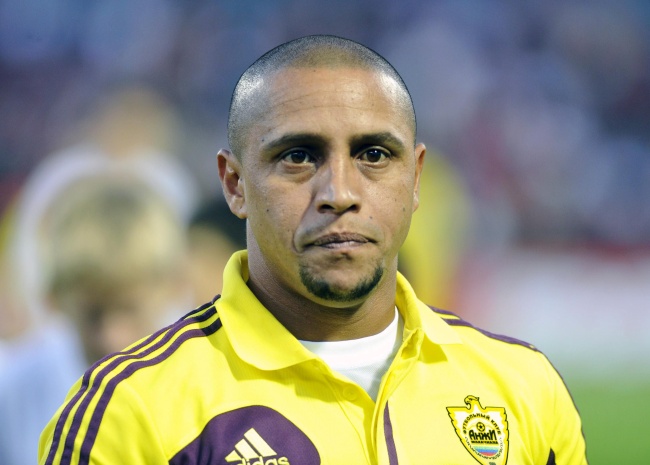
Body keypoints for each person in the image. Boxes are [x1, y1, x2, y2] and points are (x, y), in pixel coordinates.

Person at [39, 35, 587, 465]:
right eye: (299, 156)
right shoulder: (131, 409)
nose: (340, 193)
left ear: (416, 179)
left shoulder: (523, 386)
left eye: (374, 154)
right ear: (235, 184)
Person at [0, 174, 192, 465]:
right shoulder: (16, 390)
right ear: (53, 297)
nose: (112, 337)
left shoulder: (201, 386)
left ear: (175, 286)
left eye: (130, 310)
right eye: (93, 314)